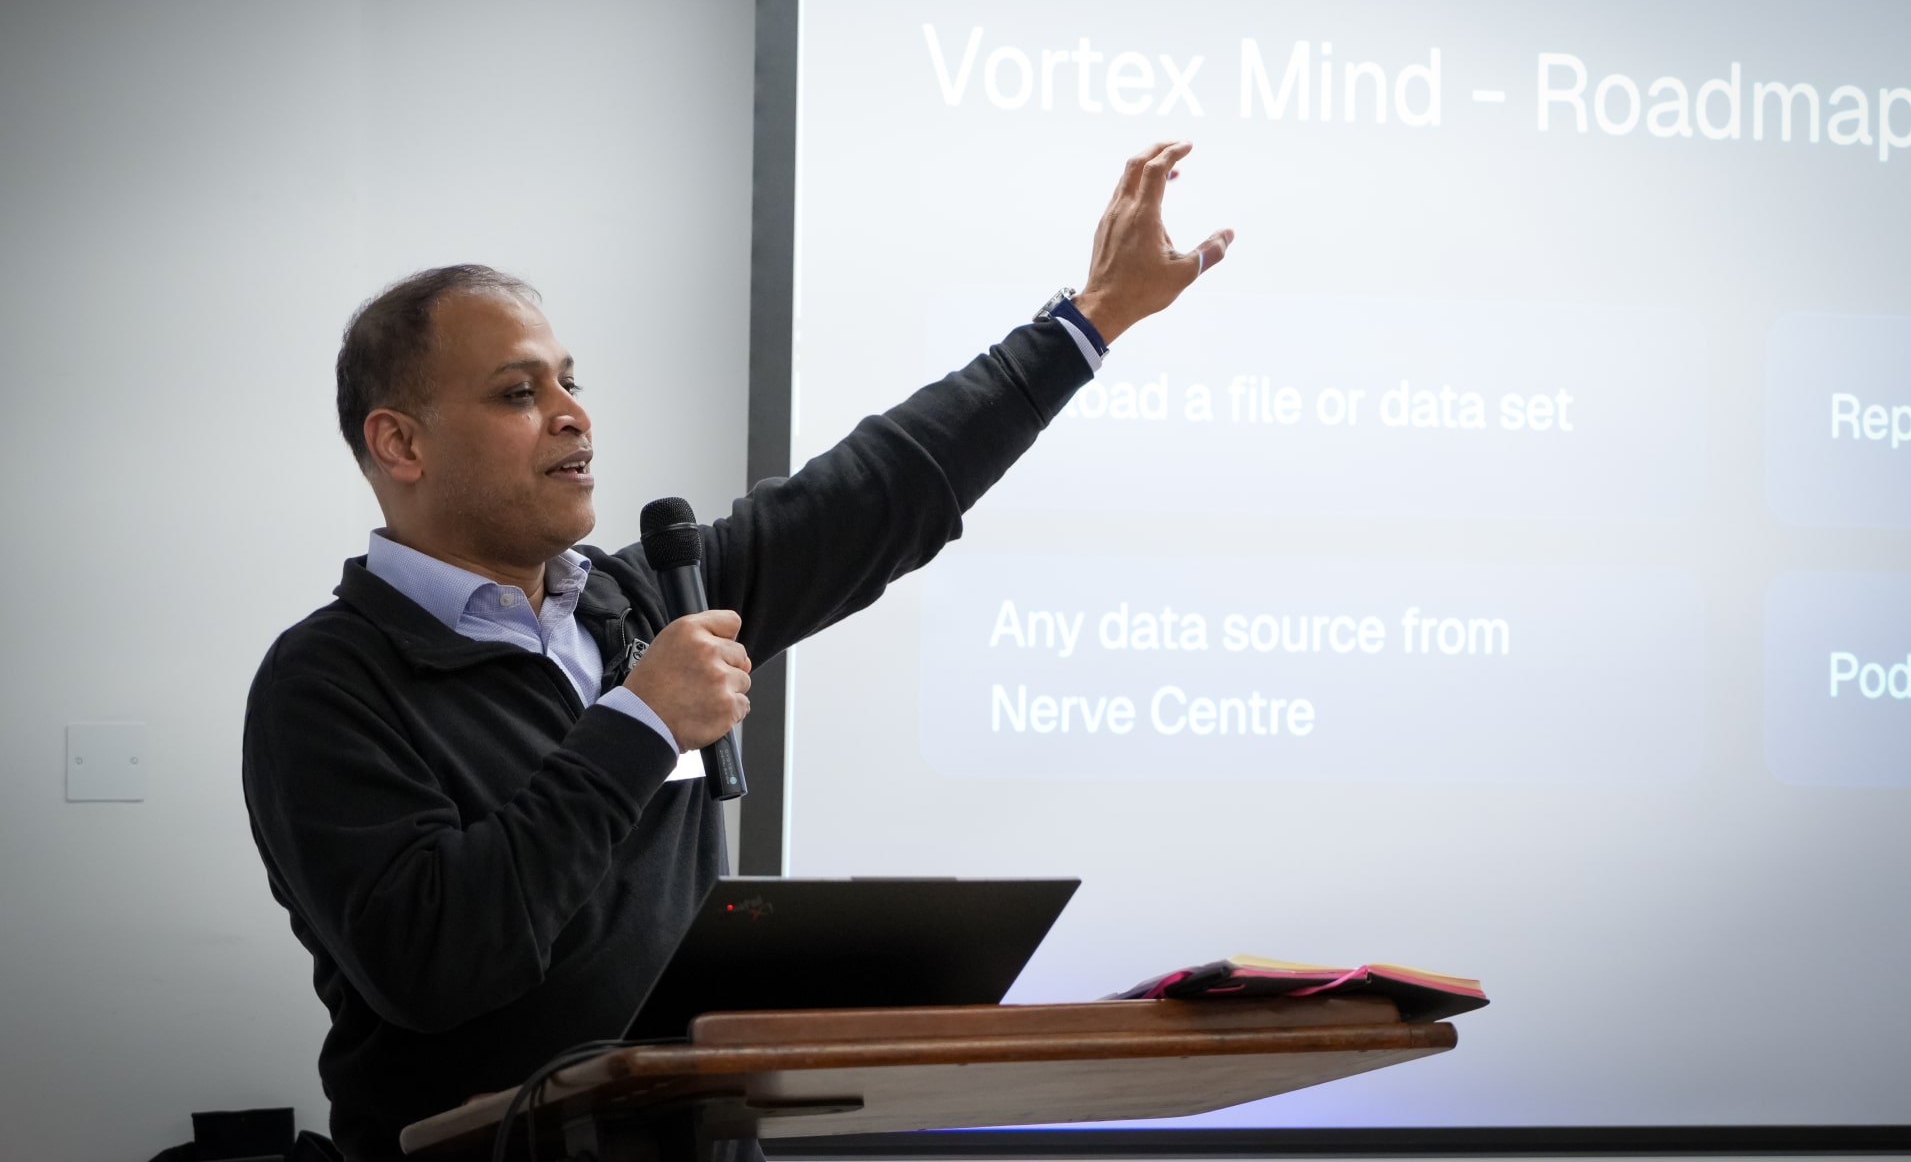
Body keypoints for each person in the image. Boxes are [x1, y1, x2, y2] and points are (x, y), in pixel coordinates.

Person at [242, 142, 1232, 1160]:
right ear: (400, 443)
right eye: (518, 393)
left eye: (570, 381)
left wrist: (1090, 318)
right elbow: (434, 960)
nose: (575, 414)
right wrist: (638, 722)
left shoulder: (640, 601)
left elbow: (878, 492)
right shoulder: (327, 681)